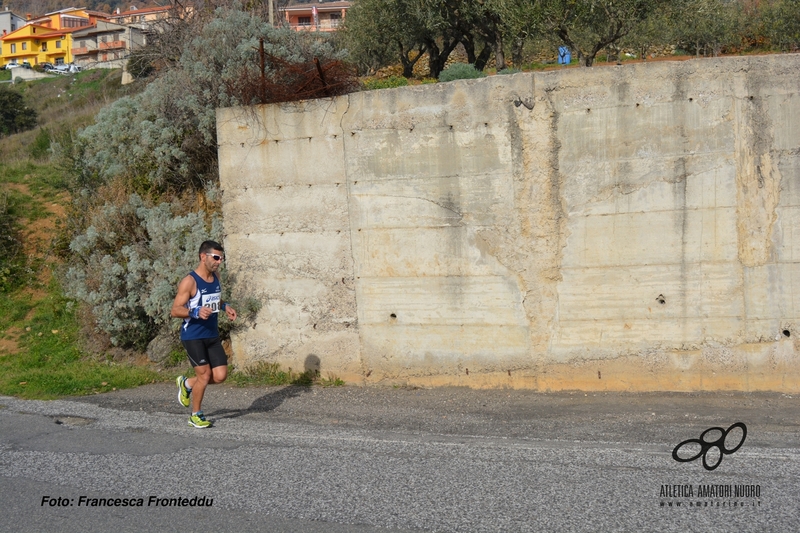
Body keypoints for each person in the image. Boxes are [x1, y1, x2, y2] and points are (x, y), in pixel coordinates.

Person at [171, 240, 237, 428]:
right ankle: (195, 414)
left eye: (221, 258)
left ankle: (187, 384)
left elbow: (215, 298)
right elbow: (175, 310)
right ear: (203, 257)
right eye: (216, 257)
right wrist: (194, 312)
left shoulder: (216, 276)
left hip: (211, 334)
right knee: (205, 375)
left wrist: (225, 307)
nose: (219, 261)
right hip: (193, 336)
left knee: (220, 375)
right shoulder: (189, 282)